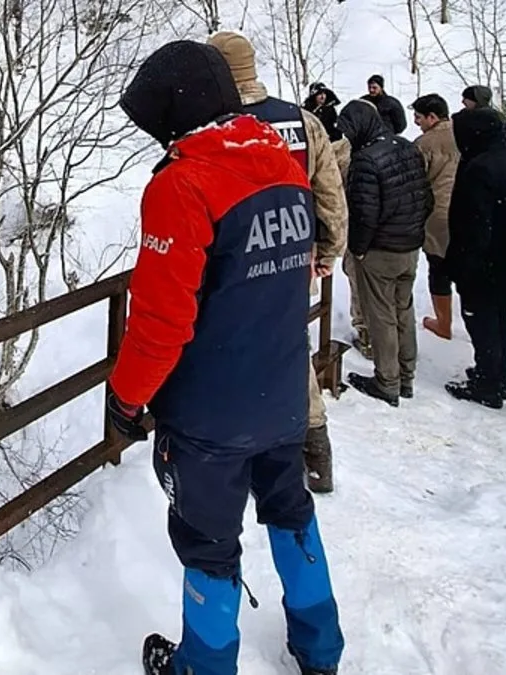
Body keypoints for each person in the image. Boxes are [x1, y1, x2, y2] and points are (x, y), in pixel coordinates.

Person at [108, 39, 344, 675]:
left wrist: (127, 397)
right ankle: (321, 649)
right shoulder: (282, 166)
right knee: (292, 513)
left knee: (208, 542)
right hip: (282, 390)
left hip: (212, 412)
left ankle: (204, 665)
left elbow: (160, 320)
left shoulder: (183, 185)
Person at [209, 31, 348, 494]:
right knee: (290, 344)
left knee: (227, 346)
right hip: (293, 257)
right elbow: (330, 194)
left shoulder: (215, 125)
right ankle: (314, 449)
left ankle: (237, 452)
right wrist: (328, 250)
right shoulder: (302, 120)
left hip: (233, 262)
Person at [337, 100, 433, 406]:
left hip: (380, 249)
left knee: (380, 316)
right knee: (403, 310)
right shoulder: (407, 147)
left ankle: (387, 381)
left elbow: (365, 212)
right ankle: (406, 375)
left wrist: (358, 249)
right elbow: (426, 197)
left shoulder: (364, 160)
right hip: (409, 244)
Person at [444, 108, 506, 408]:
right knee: (498, 318)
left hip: (484, 259)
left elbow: (475, 223)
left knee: (482, 322)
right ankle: (497, 375)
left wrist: (465, 264)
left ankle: (488, 383)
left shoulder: (480, 167)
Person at [412, 94, 460, 341]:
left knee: (438, 268)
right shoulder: (465, 134)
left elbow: (416, 182)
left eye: (419, 117)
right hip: (467, 210)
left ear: (432, 117)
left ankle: (443, 322)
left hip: (438, 212)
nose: (416, 122)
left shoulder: (424, 143)